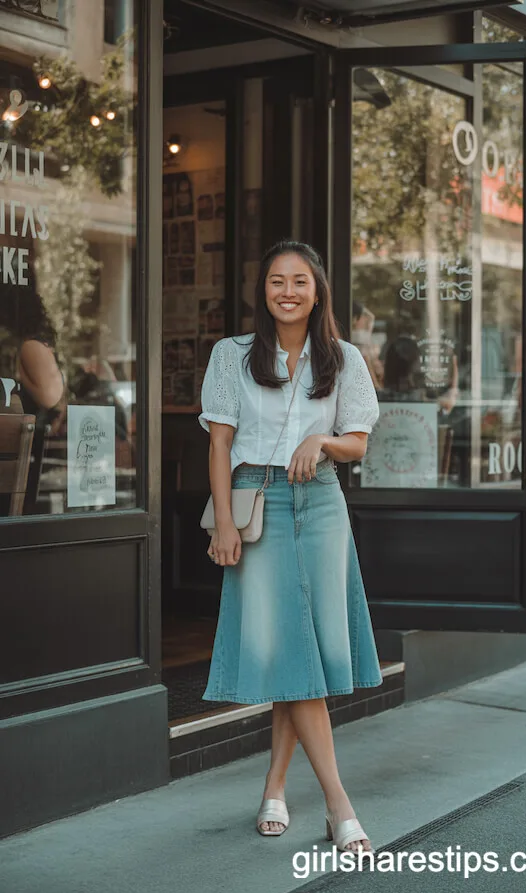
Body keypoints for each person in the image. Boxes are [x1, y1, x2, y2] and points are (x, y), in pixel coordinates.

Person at [198, 240, 382, 854]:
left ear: (317, 291)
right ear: (264, 291)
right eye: (277, 280)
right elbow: (220, 445)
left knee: (305, 651)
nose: (288, 291)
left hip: (323, 502)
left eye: (300, 281)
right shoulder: (232, 355)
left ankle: (275, 787)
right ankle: (338, 803)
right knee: (290, 649)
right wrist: (224, 522)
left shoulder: (344, 358)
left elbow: (356, 441)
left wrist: (322, 443)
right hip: (260, 501)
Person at [0, 283, 64, 515]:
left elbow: (49, 398)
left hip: (31, 450)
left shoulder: (30, 347)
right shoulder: (29, 346)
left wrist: (20, 376)